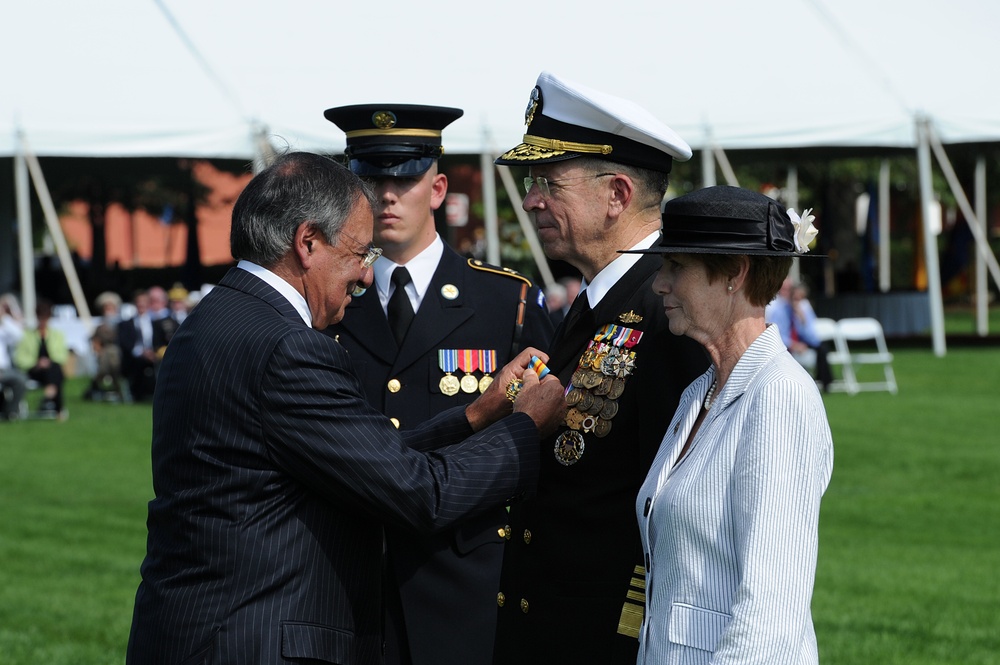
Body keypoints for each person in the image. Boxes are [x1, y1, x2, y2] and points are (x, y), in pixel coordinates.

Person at [125, 151, 566, 665]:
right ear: (307, 242)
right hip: (255, 640)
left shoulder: (218, 319)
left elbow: (354, 460)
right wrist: (522, 426)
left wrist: (476, 415)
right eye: (360, 253)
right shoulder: (289, 347)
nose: (365, 276)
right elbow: (419, 493)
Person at [323, 103, 554, 665]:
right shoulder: (325, 303)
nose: (386, 194)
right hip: (346, 584)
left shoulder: (506, 302)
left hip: (465, 585)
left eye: (404, 176)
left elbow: (545, 436)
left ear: (437, 187)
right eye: (370, 177)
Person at [491, 71, 710, 664]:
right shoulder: (598, 300)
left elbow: (682, 510)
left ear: (616, 194)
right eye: (532, 181)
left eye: (549, 183)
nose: (531, 198)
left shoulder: (672, 309)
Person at [627, 186, 834, 663]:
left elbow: (771, 610)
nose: (660, 284)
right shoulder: (698, 393)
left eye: (676, 267)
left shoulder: (778, 396)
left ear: (734, 275)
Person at [766, 277, 833, 390]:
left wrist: (802, 320)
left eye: (800, 298)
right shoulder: (778, 309)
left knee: (822, 348)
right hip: (785, 343)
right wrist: (794, 345)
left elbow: (812, 336)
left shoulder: (804, 308)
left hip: (801, 340)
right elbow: (778, 333)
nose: (798, 301)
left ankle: (824, 382)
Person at [14, 297, 69, 419]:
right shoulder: (27, 335)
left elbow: (62, 355)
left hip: (51, 369)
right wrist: (36, 363)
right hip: (34, 370)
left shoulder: (57, 335)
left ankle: (50, 397)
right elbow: (20, 358)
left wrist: (48, 362)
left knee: (54, 369)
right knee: (56, 373)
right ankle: (56, 406)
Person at [117, 290, 160, 402]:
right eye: (138, 302)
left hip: (153, 355)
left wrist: (154, 352)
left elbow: (159, 341)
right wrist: (140, 352)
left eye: (144, 301)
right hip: (134, 358)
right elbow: (125, 343)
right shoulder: (126, 324)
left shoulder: (156, 323)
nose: (141, 304)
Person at [1, 293, 27, 421]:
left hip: (4, 370)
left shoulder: (3, 327)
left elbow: (19, 336)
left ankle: (10, 412)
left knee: (20, 381)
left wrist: (4, 318)